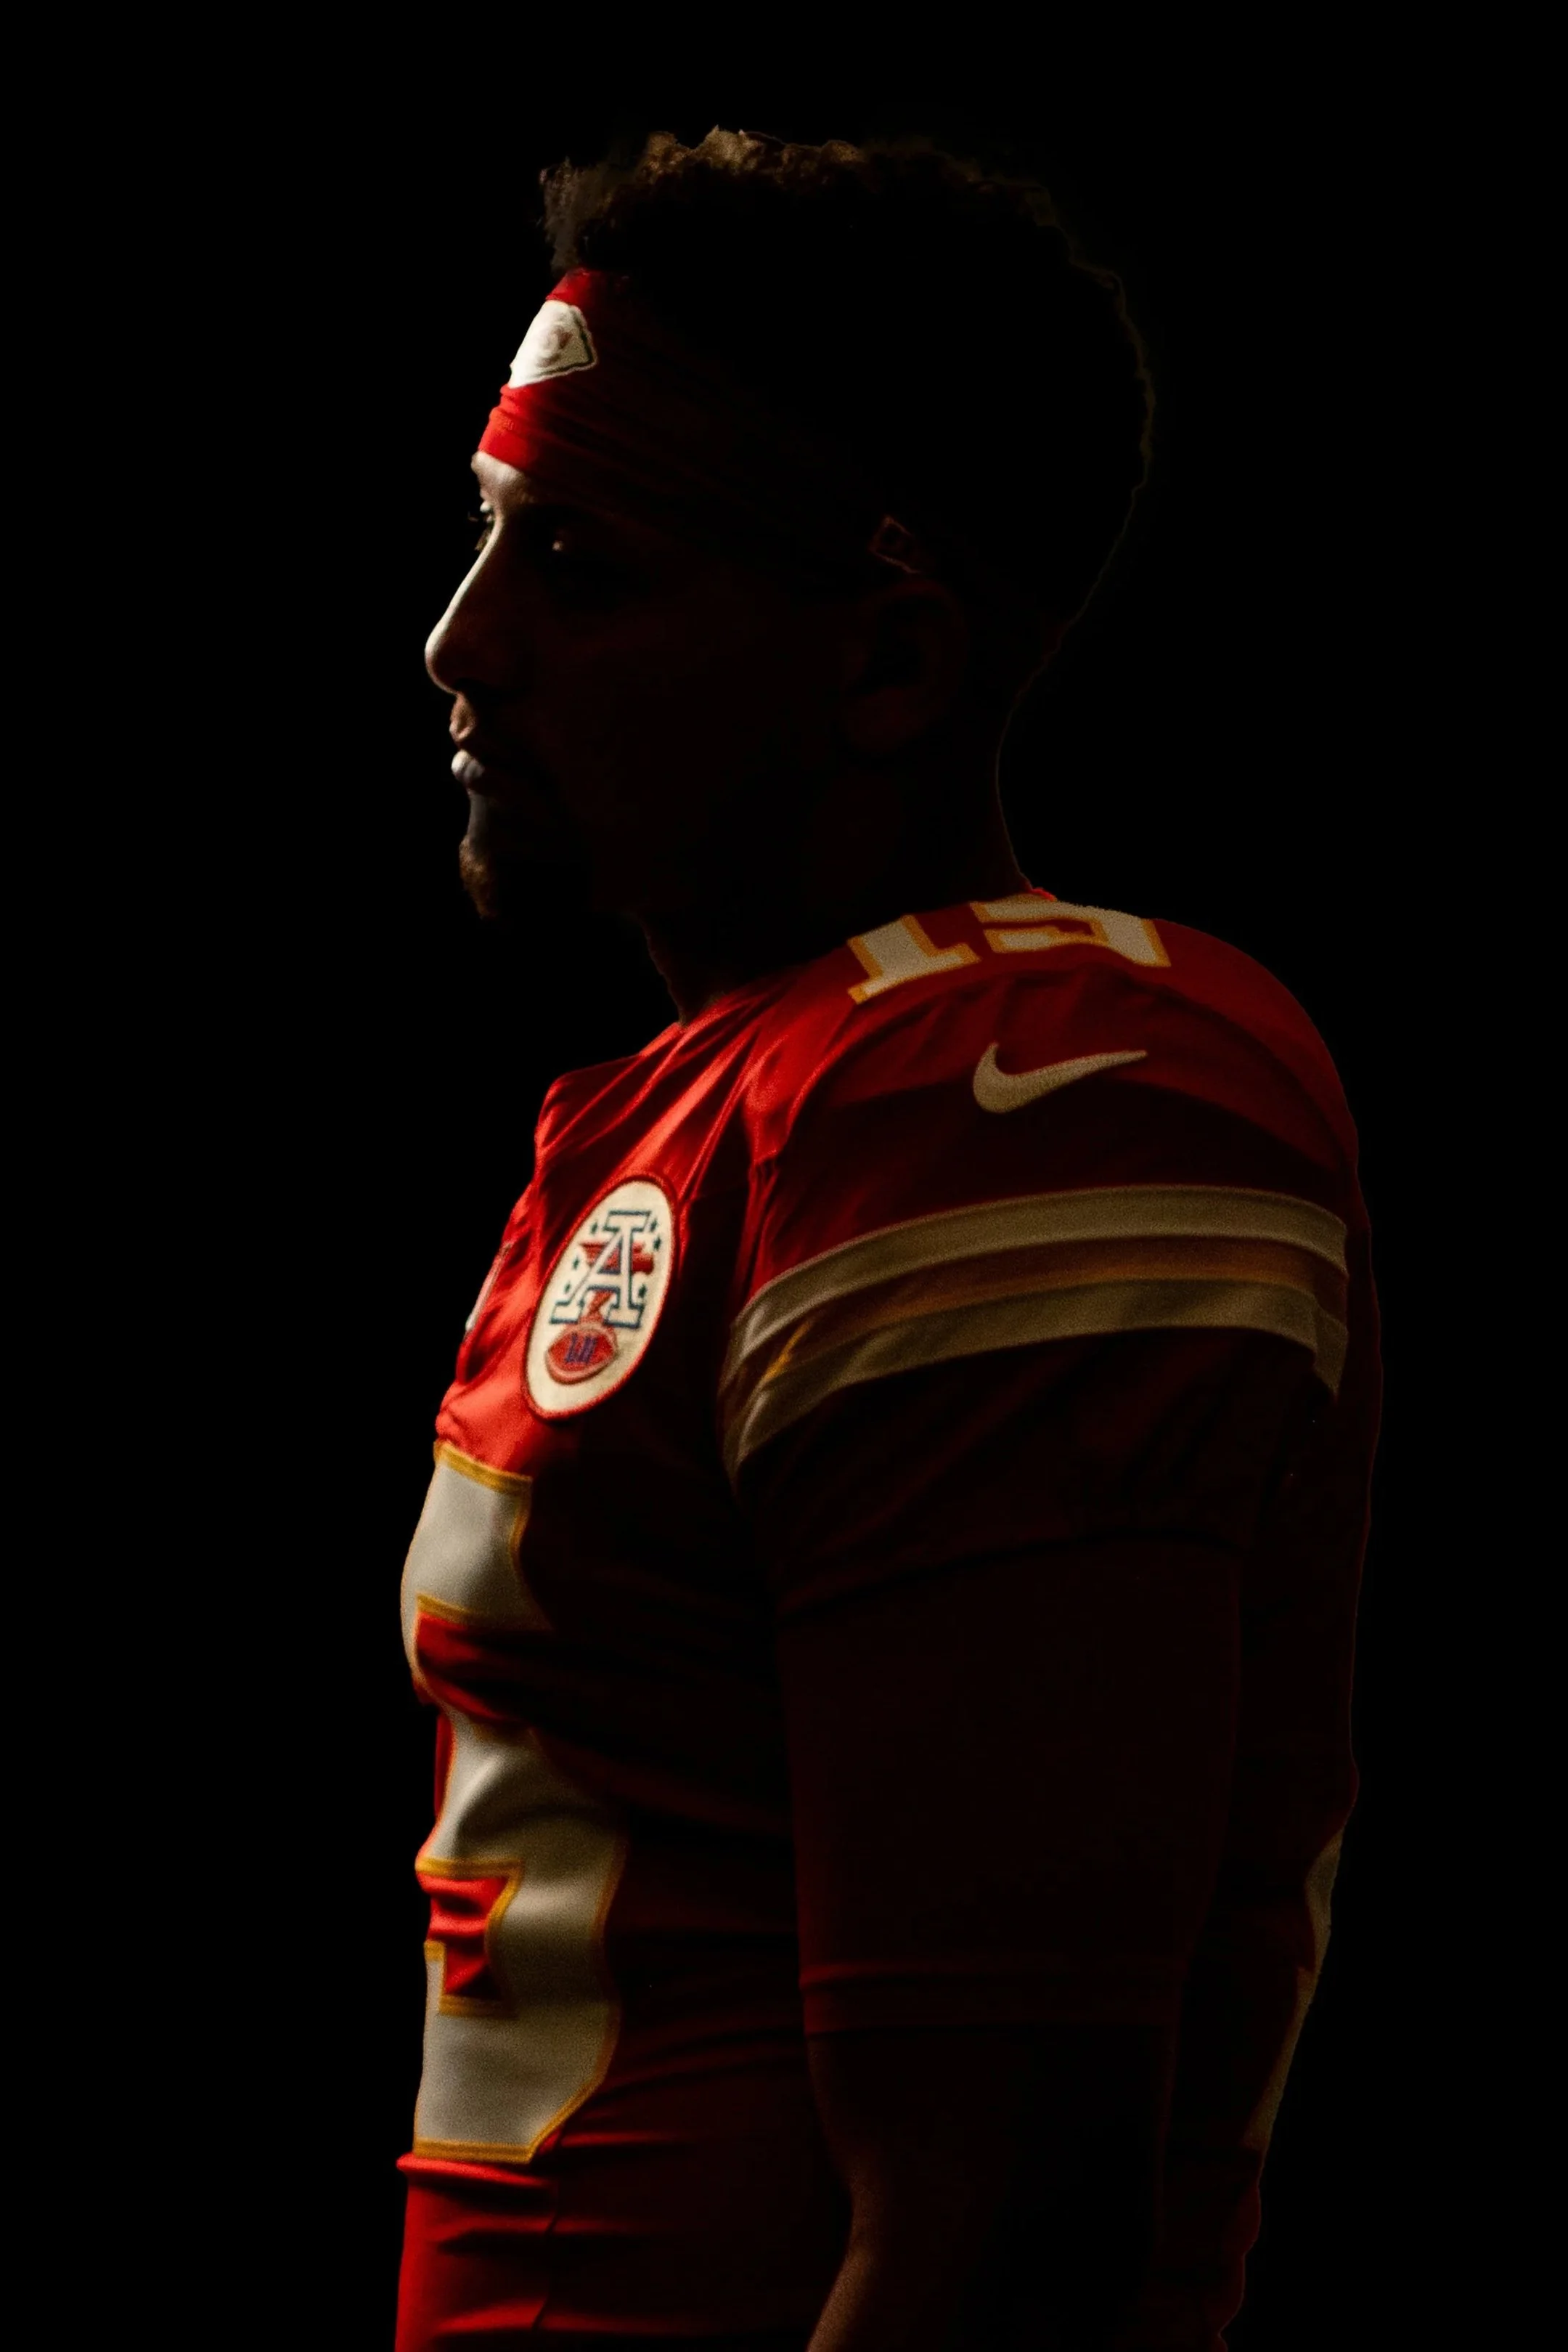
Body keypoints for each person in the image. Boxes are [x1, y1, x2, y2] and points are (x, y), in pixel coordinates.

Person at [395, 127, 1379, 2352]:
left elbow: (1004, 2220)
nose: (462, 644)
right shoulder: (743, 1085)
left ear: (891, 657)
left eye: (579, 567)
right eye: (481, 544)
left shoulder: (1020, 1085)